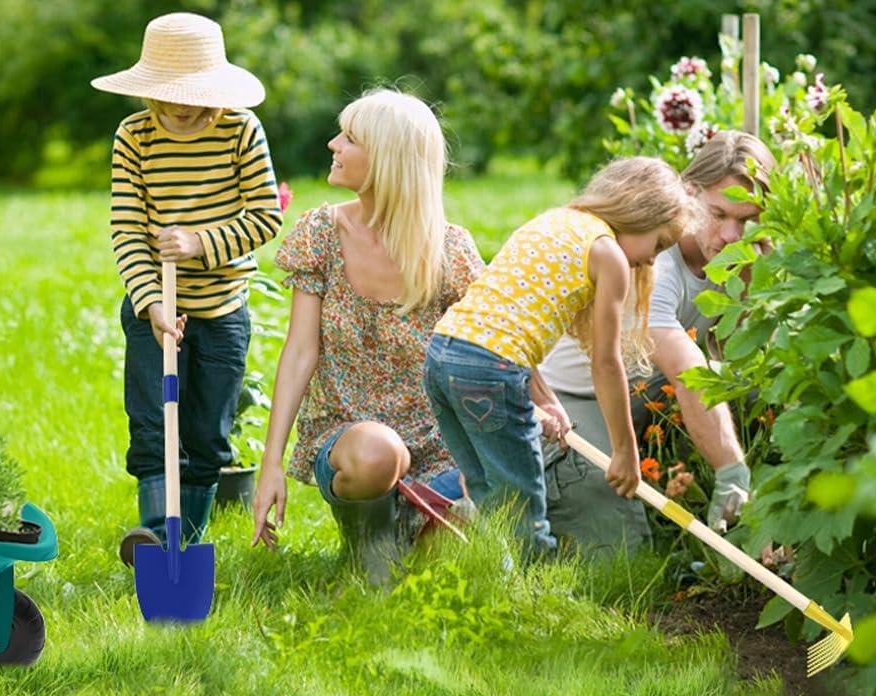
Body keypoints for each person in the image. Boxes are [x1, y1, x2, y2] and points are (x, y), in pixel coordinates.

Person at [250, 89, 484, 582]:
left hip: (437, 438)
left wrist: (483, 456)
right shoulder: (320, 232)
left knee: (468, 541)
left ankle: (401, 532)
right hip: (350, 436)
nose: (333, 144)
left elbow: (484, 355)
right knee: (379, 454)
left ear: (387, 159)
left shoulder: (449, 248)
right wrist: (271, 464)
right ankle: (371, 548)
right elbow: (299, 352)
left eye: (350, 138)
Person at [424, 156, 697, 555]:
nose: (654, 260)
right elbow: (606, 364)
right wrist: (624, 451)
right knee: (523, 498)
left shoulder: (553, 221)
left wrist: (548, 402)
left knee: (487, 492)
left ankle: (493, 574)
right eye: (658, 244)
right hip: (490, 368)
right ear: (639, 214)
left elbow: (500, 326)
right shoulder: (609, 256)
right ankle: (539, 594)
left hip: (442, 354)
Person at [92, 13, 284, 565]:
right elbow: (127, 228)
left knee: (205, 434)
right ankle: (156, 540)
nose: (181, 105)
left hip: (222, 311)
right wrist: (151, 303)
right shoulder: (134, 136)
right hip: (156, 306)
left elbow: (266, 216)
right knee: (153, 425)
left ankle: (190, 541)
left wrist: (199, 241)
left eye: (193, 93)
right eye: (169, 92)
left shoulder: (241, 130)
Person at [538, 131, 777, 550]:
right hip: (572, 403)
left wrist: (755, 284)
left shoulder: (739, 258)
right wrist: (731, 472)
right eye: (718, 214)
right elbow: (689, 373)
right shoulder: (654, 261)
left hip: (643, 396)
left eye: (747, 219)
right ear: (689, 194)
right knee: (622, 556)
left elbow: (752, 363)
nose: (731, 235)